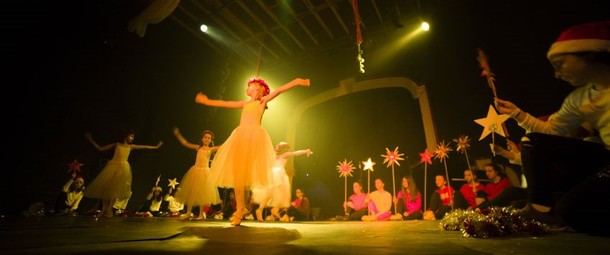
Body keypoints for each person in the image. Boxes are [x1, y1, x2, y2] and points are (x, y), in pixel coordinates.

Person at [494, 21, 610, 234]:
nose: (556, 74)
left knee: (571, 210)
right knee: (533, 141)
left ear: (590, 55)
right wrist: (517, 114)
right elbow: (550, 132)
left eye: (561, 64)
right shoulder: (579, 99)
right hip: (604, 160)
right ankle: (541, 209)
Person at [196, 77, 310, 226]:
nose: (248, 88)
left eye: (250, 86)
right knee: (238, 176)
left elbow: (280, 90)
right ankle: (240, 209)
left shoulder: (262, 102)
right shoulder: (245, 103)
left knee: (245, 176)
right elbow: (226, 103)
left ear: (259, 89)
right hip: (240, 137)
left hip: (255, 139)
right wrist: (207, 101)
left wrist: (296, 82)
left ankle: (243, 208)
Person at [85, 131, 163, 218]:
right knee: (107, 188)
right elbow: (100, 148)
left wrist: (156, 147)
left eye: (133, 137)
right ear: (126, 136)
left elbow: (144, 147)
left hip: (123, 168)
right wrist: (90, 139)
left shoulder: (131, 146)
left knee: (115, 190)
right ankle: (104, 209)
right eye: (131, 136)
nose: (132, 138)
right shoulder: (117, 144)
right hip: (112, 166)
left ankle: (109, 209)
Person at [253, 142, 313, 222]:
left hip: (272, 173)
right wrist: (306, 151)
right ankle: (269, 209)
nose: (276, 146)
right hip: (278, 174)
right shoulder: (284, 155)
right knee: (281, 193)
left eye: (277, 145)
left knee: (273, 193)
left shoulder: (273, 154)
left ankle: (267, 209)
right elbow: (295, 153)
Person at [173, 127, 220, 220]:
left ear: (211, 140)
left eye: (209, 138)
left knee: (202, 194)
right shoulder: (198, 147)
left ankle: (201, 214)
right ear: (202, 139)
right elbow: (185, 143)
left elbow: (222, 146)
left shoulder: (211, 149)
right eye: (205, 137)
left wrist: (234, 140)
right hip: (195, 171)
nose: (207, 139)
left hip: (205, 172)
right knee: (192, 192)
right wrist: (178, 135)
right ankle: (188, 212)